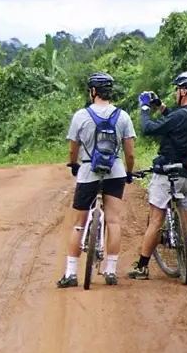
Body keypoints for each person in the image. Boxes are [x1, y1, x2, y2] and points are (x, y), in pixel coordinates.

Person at [127, 71, 187, 282]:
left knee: (155, 220)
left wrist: (145, 109)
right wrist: (161, 107)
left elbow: (148, 129)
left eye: (177, 89)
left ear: (183, 91)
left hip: (167, 174)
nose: (175, 93)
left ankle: (143, 266)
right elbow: (177, 120)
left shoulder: (180, 116)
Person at [57, 72, 136, 288]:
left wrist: (74, 165)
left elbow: (73, 148)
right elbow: (129, 153)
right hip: (115, 172)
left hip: (88, 172)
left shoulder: (81, 116)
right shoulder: (123, 116)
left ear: (93, 91)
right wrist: (128, 172)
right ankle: (110, 270)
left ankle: (71, 273)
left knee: (78, 225)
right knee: (113, 221)